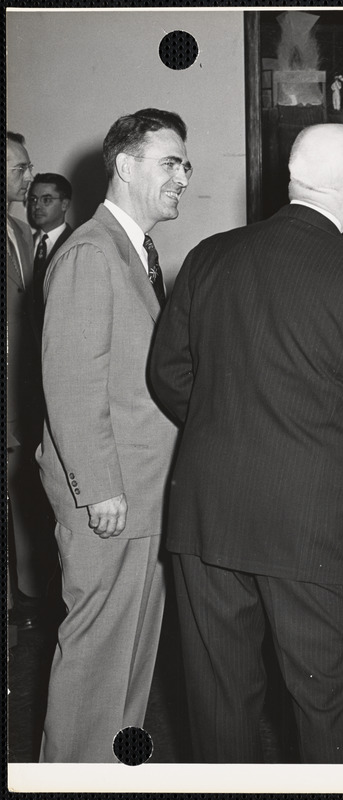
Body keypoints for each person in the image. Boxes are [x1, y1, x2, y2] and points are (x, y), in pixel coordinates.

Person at [148, 124, 343, 763]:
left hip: (206, 512)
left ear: (292, 179)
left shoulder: (211, 255)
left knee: (217, 702)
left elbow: (167, 372)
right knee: (321, 700)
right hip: (305, 523)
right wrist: (325, 460)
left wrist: (228, 424)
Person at [36, 108, 189, 761]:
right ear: (126, 166)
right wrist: (99, 488)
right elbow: (72, 381)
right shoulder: (93, 252)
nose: (183, 176)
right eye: (171, 162)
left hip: (142, 496)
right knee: (97, 664)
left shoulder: (131, 251)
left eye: (185, 164)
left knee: (125, 670)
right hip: (110, 499)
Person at [6, 131, 55, 632]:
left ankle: (20, 599)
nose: (29, 175)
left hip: (22, 391)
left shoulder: (22, 233)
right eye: (19, 168)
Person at [28, 172, 74, 322]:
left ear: (64, 204)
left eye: (46, 200)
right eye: (33, 199)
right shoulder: (22, 243)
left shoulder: (76, 244)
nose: (37, 206)